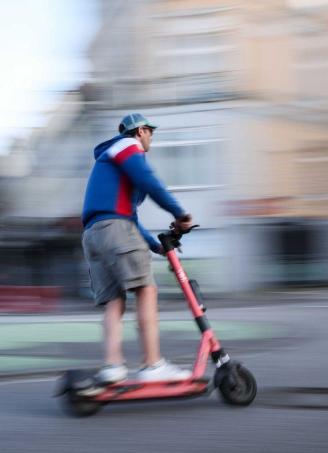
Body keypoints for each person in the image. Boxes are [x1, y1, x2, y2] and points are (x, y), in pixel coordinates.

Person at [81, 113, 193, 383]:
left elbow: (127, 214)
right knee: (146, 289)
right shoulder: (127, 147)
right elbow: (150, 183)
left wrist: (154, 245)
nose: (150, 138)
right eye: (150, 133)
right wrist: (179, 213)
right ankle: (152, 365)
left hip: (94, 234)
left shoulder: (110, 156)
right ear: (141, 131)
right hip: (116, 229)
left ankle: (112, 366)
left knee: (114, 301)